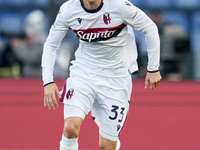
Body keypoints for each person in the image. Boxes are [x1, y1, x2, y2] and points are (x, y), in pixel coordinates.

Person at [41, 0, 162, 149]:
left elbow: (150, 28)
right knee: (70, 128)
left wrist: (153, 68)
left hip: (116, 80)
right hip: (83, 74)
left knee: (106, 146)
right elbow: (51, 44)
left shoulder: (120, 7)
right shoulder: (68, 10)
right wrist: (47, 80)